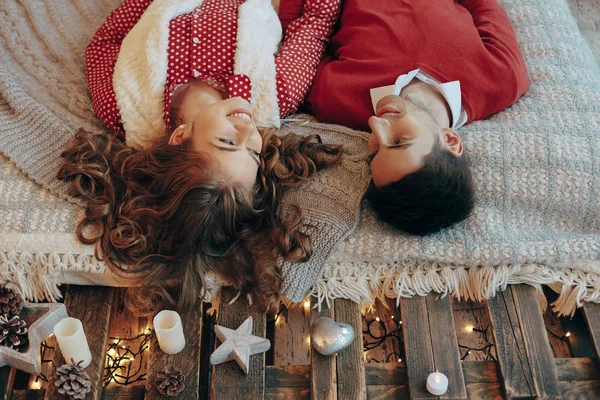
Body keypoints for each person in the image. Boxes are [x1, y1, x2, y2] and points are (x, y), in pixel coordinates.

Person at [58, 0, 342, 315]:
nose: (247, 131)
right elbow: (316, 20)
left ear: (180, 137)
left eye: (226, 141)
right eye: (252, 151)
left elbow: (103, 45)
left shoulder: (121, 108)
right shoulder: (279, 90)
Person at [305, 0, 530, 235]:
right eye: (400, 141)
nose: (375, 124)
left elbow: (307, 33)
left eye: (373, 151)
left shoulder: (335, 98)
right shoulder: (504, 78)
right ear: (450, 140)